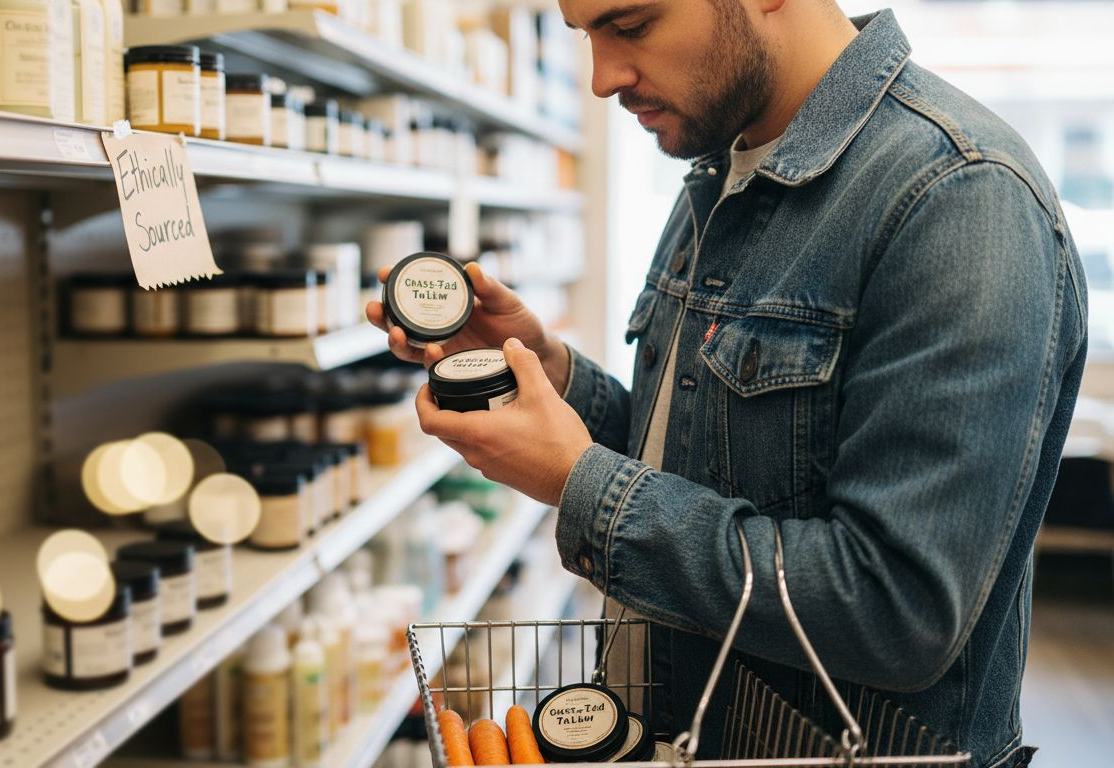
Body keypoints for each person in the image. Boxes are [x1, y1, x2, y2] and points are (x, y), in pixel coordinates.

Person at [368, 1, 1087, 766]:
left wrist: (582, 484)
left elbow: (897, 610)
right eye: (587, 36)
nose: (602, 79)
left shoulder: (961, 198)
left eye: (632, 26)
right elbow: (695, 462)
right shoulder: (722, 173)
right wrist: (552, 375)